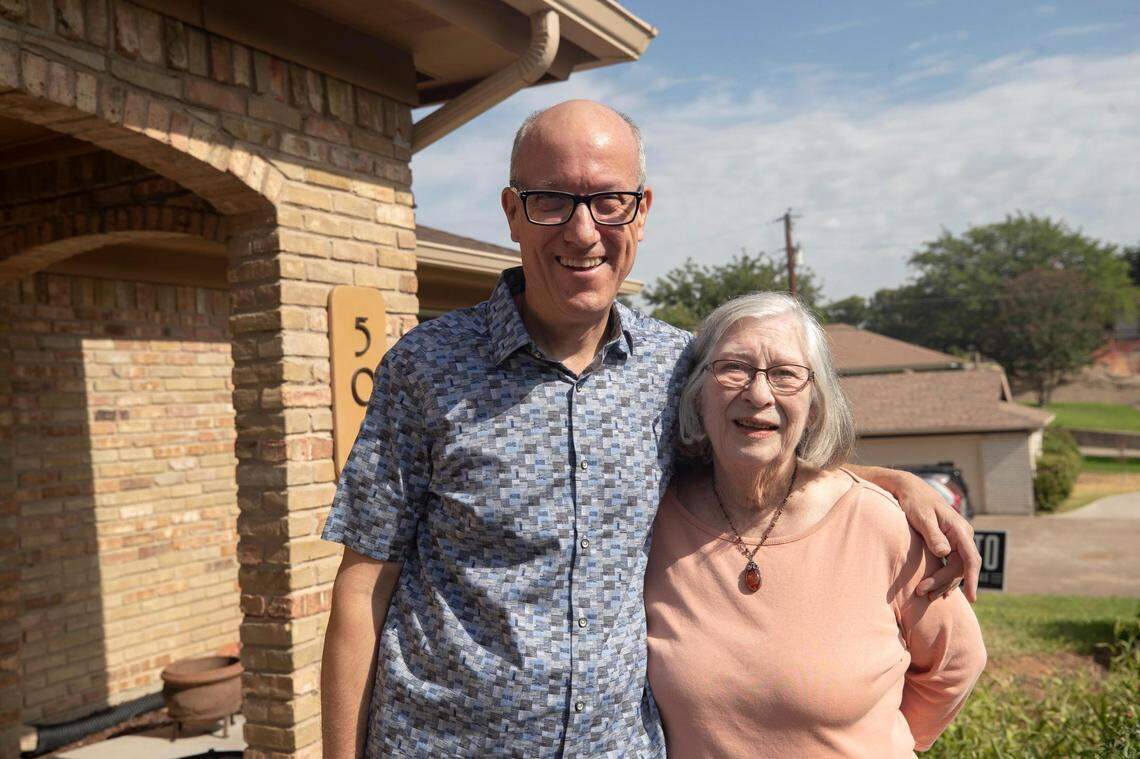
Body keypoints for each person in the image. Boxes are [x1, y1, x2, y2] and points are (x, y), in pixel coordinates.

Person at [319, 100, 980, 757]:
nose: (583, 231)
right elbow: (362, 585)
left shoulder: (675, 368)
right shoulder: (427, 367)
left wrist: (887, 483)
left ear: (641, 211)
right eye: (551, 200)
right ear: (513, 211)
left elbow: (754, 446)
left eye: (610, 201)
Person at [645, 293, 986, 757]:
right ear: (697, 392)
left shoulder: (880, 524)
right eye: (733, 368)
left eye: (785, 374)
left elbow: (956, 663)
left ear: (815, 403)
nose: (758, 394)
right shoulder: (653, 523)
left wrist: (884, 741)